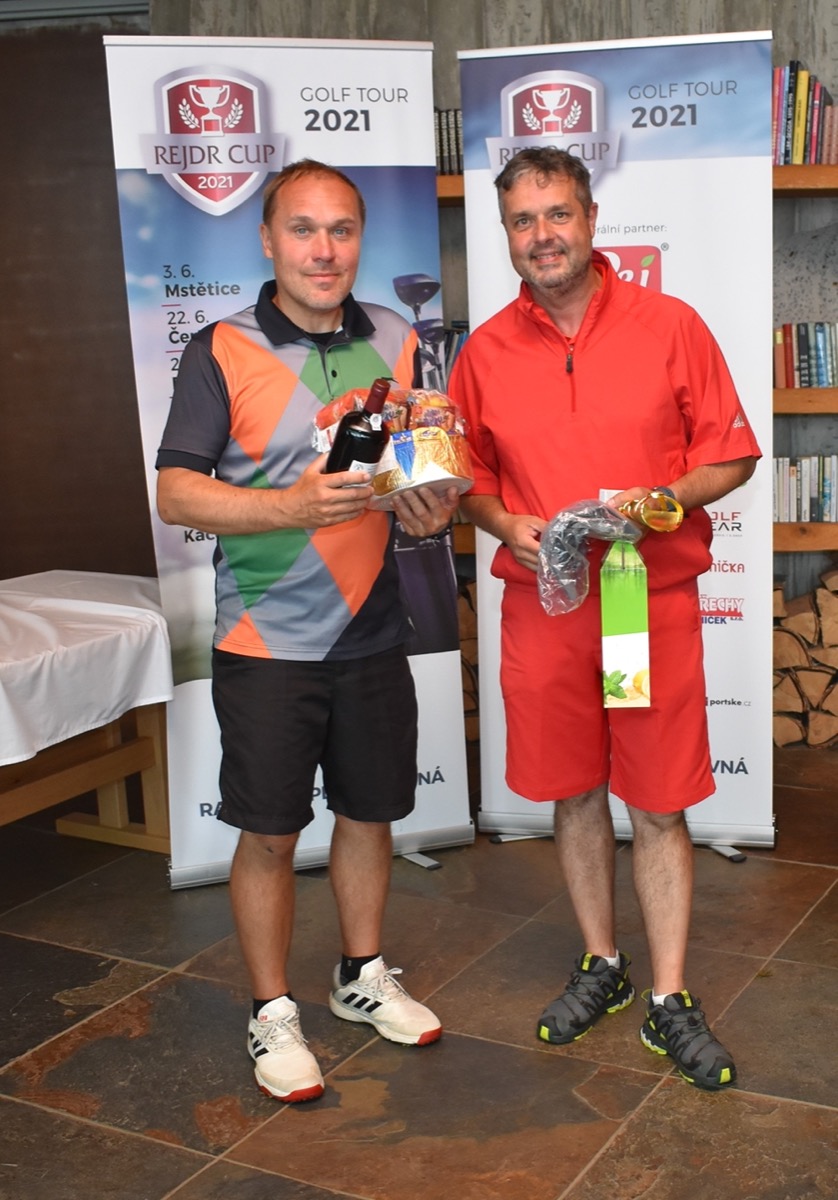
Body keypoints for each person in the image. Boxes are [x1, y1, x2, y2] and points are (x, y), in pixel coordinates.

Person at [448, 147, 761, 1092]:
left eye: (558, 214)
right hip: (546, 608)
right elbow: (470, 480)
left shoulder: (671, 326)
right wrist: (504, 521)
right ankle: (604, 964)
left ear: (590, 218)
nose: (542, 235)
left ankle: (670, 995)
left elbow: (731, 456)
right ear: (507, 235)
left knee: (658, 800)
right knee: (574, 789)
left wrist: (660, 501)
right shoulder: (483, 353)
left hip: (639, 600)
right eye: (522, 220)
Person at [156, 159, 459, 1103]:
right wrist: (288, 506)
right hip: (266, 642)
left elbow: (417, 469)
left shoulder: (400, 337)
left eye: (341, 230)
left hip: (373, 629)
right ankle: (271, 1010)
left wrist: (429, 505)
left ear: (361, 240)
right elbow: (176, 492)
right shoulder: (220, 347)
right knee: (271, 834)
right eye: (302, 229)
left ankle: (360, 976)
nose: (323, 250)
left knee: (371, 814)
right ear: (267, 240)